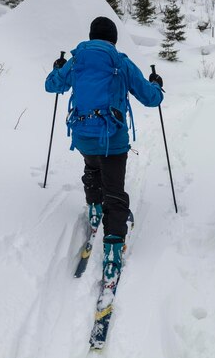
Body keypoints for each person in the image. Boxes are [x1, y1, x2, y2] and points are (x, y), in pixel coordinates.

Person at [45, 16, 163, 286]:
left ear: (91, 36)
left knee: (92, 167)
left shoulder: (77, 61)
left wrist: (57, 68)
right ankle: (112, 246)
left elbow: (52, 85)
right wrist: (156, 83)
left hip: (83, 135)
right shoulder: (120, 62)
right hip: (113, 139)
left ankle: (95, 208)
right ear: (113, 39)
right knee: (115, 189)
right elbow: (151, 98)